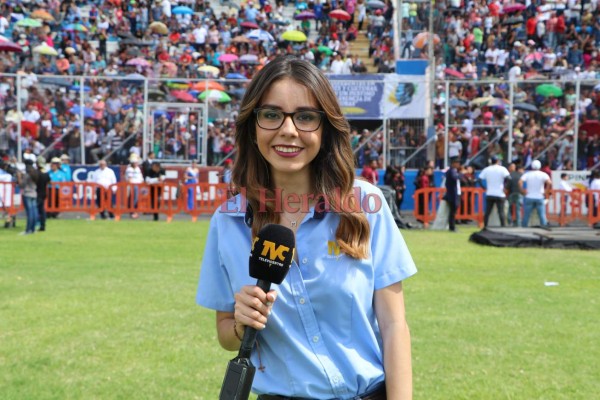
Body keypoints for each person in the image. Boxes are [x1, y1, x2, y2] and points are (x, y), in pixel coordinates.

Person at [196, 56, 416, 399]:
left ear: (325, 127)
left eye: (305, 117)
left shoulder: (365, 205)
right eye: (271, 115)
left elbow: (394, 326)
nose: (288, 130)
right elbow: (225, 334)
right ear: (252, 126)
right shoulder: (228, 222)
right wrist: (241, 322)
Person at [478, 156, 510, 228]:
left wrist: (484, 187)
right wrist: (505, 187)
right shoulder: (502, 169)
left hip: (490, 193)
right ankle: (503, 227)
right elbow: (508, 178)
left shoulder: (487, 169)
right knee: (501, 212)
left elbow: (479, 179)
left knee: (487, 212)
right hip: (500, 193)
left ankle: (485, 226)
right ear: (497, 161)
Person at [519, 160, 551, 227]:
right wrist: (546, 191)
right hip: (539, 197)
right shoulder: (543, 174)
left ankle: (523, 228)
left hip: (529, 196)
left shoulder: (527, 174)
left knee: (526, 215)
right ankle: (544, 226)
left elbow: (520, 182)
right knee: (542, 215)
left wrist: (522, 190)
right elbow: (549, 183)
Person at [16, 159, 38, 235]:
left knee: (29, 213)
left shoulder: (27, 175)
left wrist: (19, 177)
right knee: (34, 212)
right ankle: (33, 229)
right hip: (34, 193)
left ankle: (28, 230)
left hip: (27, 194)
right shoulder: (35, 174)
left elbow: (22, 185)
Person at [444, 157, 461, 232]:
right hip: (453, 194)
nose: (458, 164)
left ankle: (452, 226)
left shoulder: (452, 171)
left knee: (453, 211)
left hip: (453, 193)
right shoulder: (452, 171)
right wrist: (461, 174)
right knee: (452, 212)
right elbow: (455, 178)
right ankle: (452, 227)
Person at [125, 153, 144, 219]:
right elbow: (130, 179)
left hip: (138, 185)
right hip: (133, 185)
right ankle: (132, 212)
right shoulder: (129, 169)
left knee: (137, 199)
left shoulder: (137, 168)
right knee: (134, 199)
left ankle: (135, 212)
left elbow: (140, 177)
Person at [35, 156, 50, 232]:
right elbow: (48, 181)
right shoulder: (46, 173)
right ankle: (42, 225)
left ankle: (34, 225)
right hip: (44, 193)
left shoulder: (37, 173)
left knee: (35, 210)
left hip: (37, 193)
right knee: (42, 210)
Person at [506, 163, 524, 227]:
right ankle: (518, 223)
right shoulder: (521, 175)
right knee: (518, 209)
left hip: (511, 193)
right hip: (519, 193)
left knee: (509, 208)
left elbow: (507, 186)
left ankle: (509, 222)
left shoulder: (510, 175)